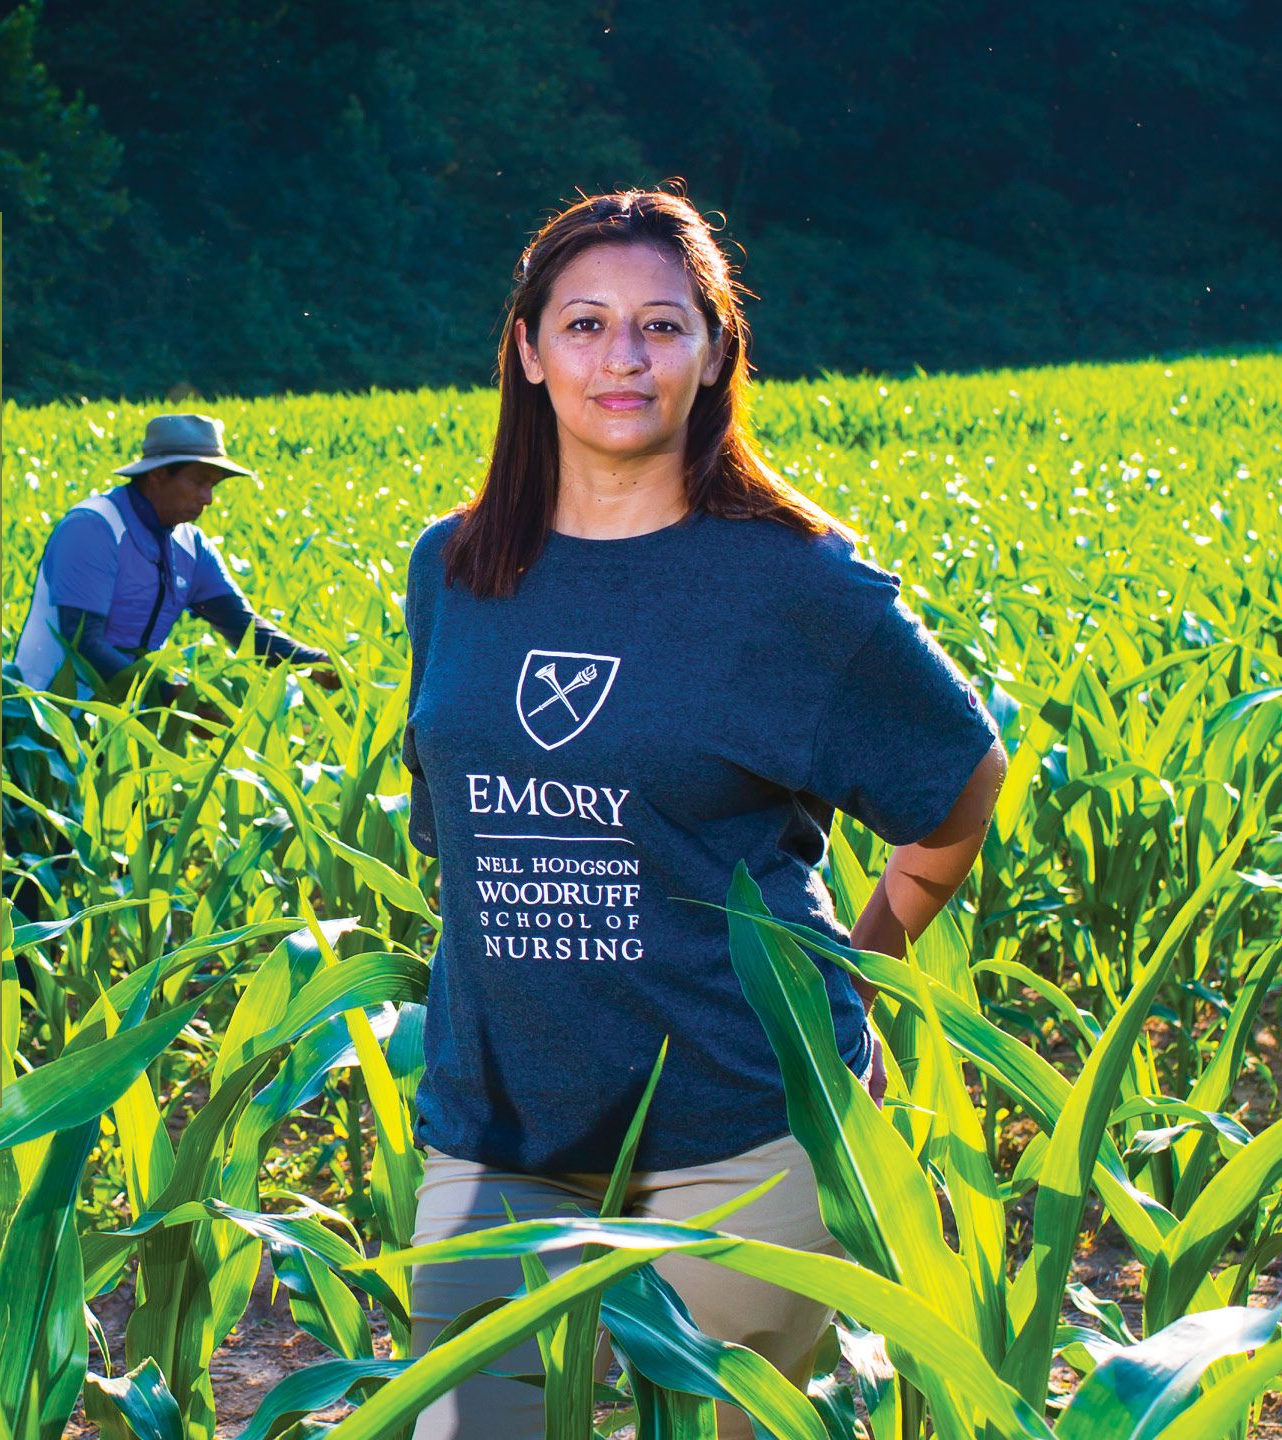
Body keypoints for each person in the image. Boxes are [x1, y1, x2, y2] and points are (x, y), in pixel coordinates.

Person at [397, 188, 1008, 1440]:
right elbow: (455, 831)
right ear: (525, 349)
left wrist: (850, 970)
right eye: (584, 323)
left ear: (717, 348)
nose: (621, 358)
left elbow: (957, 782)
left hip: (737, 1136)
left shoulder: (793, 584)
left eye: (661, 327)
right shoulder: (452, 568)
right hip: (494, 1122)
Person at [11, 412, 338, 703]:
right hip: (48, 718)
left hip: (122, 718)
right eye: (199, 482)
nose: (208, 498)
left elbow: (242, 628)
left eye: (213, 485)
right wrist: (166, 697)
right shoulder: (93, 528)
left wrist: (314, 660)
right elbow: (83, 642)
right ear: (157, 475)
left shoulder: (191, 547)